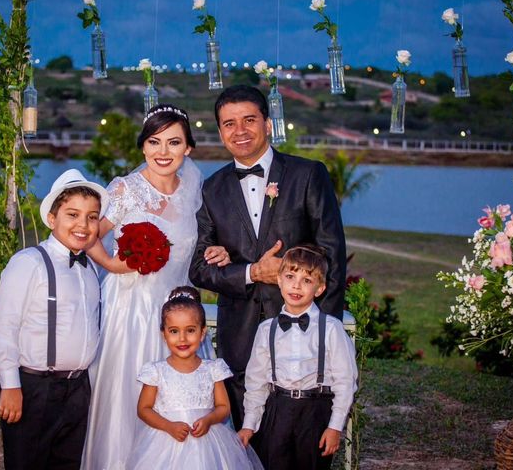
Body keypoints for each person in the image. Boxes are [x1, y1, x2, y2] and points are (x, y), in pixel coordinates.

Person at [189, 84, 347, 429]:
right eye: (229, 123)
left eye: (249, 120)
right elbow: (199, 269)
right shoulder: (212, 188)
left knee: (305, 444)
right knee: (249, 444)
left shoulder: (308, 175)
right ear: (219, 132)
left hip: (304, 340)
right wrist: (250, 273)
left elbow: (333, 255)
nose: (240, 130)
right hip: (241, 341)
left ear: (268, 124)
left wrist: (324, 332)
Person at [81, 104, 228, 470]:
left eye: (174, 142)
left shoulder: (195, 189)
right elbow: (88, 235)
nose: (163, 152)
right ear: (143, 147)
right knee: (129, 393)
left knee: (185, 398)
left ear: (188, 148)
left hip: (179, 311)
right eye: (154, 142)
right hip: (130, 309)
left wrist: (217, 250)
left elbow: (199, 244)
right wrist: (113, 264)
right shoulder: (125, 189)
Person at [0, 169, 108, 469]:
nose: (83, 225)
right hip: (35, 388)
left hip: (78, 390)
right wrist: (11, 385)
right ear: (52, 219)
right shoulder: (28, 263)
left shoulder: (90, 270)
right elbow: (3, 328)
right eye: (72, 215)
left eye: (92, 217)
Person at [238, 245, 357, 469]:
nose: (296, 285)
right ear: (279, 280)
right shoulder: (266, 329)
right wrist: (249, 425)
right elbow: (256, 382)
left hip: (315, 412)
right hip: (277, 410)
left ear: (319, 288)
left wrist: (334, 427)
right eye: (290, 276)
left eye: (307, 280)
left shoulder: (331, 329)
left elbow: (345, 382)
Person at [127, 286, 263, 470]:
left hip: (209, 442)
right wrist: (169, 426)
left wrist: (208, 420)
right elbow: (144, 409)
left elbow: (224, 407)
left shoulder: (213, 369)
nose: (182, 338)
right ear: (164, 334)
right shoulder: (156, 371)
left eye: (190, 330)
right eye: (174, 331)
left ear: (202, 332)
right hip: (165, 442)